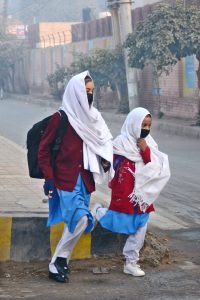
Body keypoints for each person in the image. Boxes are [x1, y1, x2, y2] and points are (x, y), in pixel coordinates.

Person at [38, 71, 113, 283]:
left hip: (85, 181)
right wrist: (49, 178)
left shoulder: (92, 118)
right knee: (79, 218)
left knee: (74, 223)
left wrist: (104, 160)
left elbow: (101, 143)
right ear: (75, 92)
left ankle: (61, 261)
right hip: (65, 180)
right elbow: (43, 150)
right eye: (85, 91)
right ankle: (56, 262)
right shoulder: (60, 118)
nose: (89, 95)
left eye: (92, 91)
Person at [94, 107, 170, 277]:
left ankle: (131, 262)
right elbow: (107, 162)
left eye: (148, 125)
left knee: (141, 226)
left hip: (142, 195)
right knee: (118, 221)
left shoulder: (150, 143)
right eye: (143, 124)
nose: (145, 129)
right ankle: (98, 212)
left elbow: (155, 165)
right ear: (133, 123)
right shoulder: (120, 143)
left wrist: (145, 149)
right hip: (124, 191)